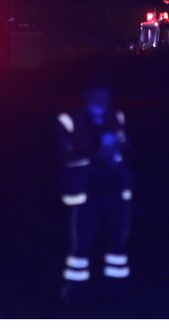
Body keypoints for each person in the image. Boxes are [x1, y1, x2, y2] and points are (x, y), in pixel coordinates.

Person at [57, 77, 133, 303]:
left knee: (117, 243)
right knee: (82, 243)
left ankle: (116, 288)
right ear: (87, 95)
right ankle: (75, 289)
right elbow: (63, 153)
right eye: (98, 93)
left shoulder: (116, 116)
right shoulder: (69, 119)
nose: (103, 98)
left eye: (106, 94)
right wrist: (95, 153)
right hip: (85, 191)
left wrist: (119, 149)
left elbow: (127, 146)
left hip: (116, 190)